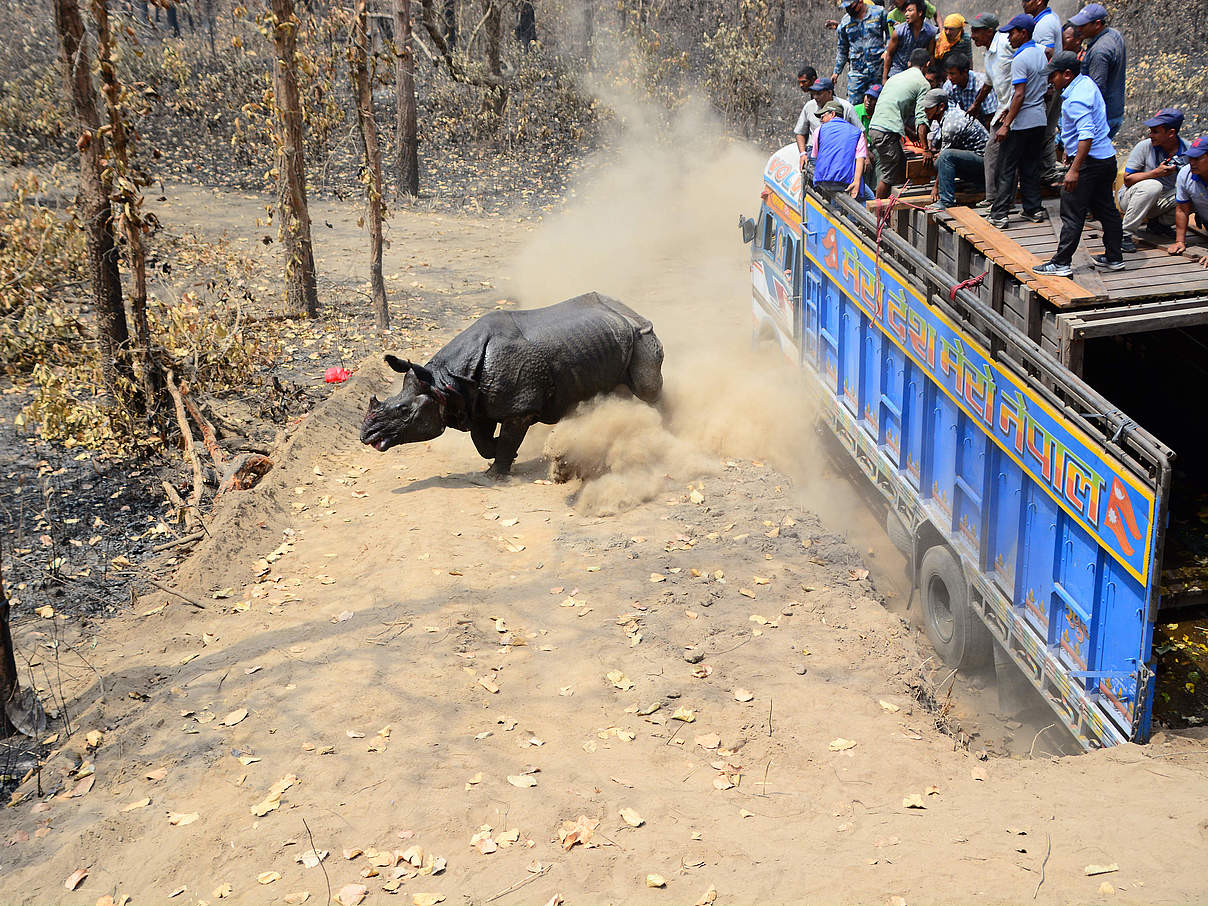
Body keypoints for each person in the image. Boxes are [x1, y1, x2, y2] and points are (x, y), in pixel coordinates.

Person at [1033, 52, 1123, 276]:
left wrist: (1073, 170)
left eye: (1053, 76)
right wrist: (1069, 152)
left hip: (1089, 163)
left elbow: (1086, 135)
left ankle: (1061, 262)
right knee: (1107, 209)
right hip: (1105, 159)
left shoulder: (1075, 100)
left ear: (1067, 74)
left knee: (1071, 212)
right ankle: (1114, 257)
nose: (1050, 81)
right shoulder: (1086, 84)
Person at [987, 14, 1048, 229]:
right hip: (1039, 119)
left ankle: (1000, 214)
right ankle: (1033, 208)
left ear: (1023, 33)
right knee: (1030, 166)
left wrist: (1006, 124)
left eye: (1012, 33)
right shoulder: (1041, 54)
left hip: (1022, 122)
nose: (1010, 38)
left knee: (1006, 167)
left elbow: (1019, 94)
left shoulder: (1020, 59)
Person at [868, 47, 933, 198]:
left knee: (903, 168)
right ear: (927, 65)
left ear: (910, 63)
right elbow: (921, 119)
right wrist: (926, 149)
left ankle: (894, 209)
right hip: (886, 132)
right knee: (889, 175)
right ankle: (876, 215)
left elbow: (892, 112)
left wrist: (911, 133)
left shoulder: (895, 78)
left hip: (876, 128)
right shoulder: (923, 83)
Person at [1118, 109, 1186, 251]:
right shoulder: (1144, 146)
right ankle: (1125, 234)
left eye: (1155, 132)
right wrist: (1156, 173)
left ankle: (1159, 225)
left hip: (1162, 201)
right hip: (1133, 198)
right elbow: (1128, 180)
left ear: (1171, 133)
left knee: (1192, 192)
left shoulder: (1188, 149)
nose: (1150, 135)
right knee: (1153, 186)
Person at [969, 13, 1011, 210]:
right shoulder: (988, 53)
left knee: (1002, 153)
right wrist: (976, 104)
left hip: (1014, 109)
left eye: (976, 31)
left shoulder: (1005, 43)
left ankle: (1000, 199)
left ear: (989, 31)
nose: (972, 36)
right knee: (994, 152)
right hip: (1003, 109)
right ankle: (995, 197)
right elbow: (988, 83)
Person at [921, 89, 988, 211]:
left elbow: (945, 156)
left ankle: (946, 201)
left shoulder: (951, 123)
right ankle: (980, 184)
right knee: (939, 162)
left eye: (929, 108)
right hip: (981, 163)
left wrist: (936, 188)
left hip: (986, 163)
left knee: (945, 157)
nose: (925, 111)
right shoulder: (948, 116)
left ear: (941, 107)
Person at [1070, 4, 1125, 138]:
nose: (1078, 29)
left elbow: (1095, 90)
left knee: (1090, 157)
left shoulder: (1099, 51)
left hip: (1102, 117)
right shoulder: (1114, 35)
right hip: (1114, 111)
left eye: (1083, 25)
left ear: (1097, 24)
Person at [832, 0, 891, 103]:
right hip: (857, 71)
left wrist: (887, 51)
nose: (848, 10)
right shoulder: (845, 22)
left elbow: (891, 35)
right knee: (853, 104)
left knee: (878, 102)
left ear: (860, 1)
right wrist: (836, 72)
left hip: (877, 69)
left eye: (851, 6)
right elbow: (842, 49)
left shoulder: (879, 13)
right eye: (846, 7)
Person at [811, 100, 871, 199]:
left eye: (823, 116)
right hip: (845, 182)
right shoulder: (857, 132)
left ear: (832, 114)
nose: (821, 120)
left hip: (823, 181)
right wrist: (856, 182)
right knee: (869, 197)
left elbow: (815, 156)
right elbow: (860, 158)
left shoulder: (819, 130)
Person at [1168, 136, 1208, 268]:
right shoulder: (1185, 174)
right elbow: (1182, 209)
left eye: (1197, 158)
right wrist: (1180, 241)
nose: (1192, 162)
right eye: (1190, 158)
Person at [794, 77, 862, 155]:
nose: (815, 97)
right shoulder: (809, 106)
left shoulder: (846, 107)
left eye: (819, 93)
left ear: (829, 93)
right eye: (813, 93)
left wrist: (864, 154)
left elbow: (860, 131)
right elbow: (800, 132)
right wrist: (802, 153)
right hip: (815, 150)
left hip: (840, 149)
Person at [882, 0, 937, 83]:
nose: (906, 14)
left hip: (917, 73)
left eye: (910, 11)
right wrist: (884, 78)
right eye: (906, 11)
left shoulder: (930, 32)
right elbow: (889, 55)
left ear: (920, 13)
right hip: (897, 73)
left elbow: (930, 54)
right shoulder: (898, 31)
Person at [943, 53, 995, 125]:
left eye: (952, 74)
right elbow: (950, 114)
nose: (949, 77)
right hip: (963, 125)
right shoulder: (948, 86)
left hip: (983, 124)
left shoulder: (982, 84)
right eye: (948, 73)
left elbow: (990, 116)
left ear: (965, 72)